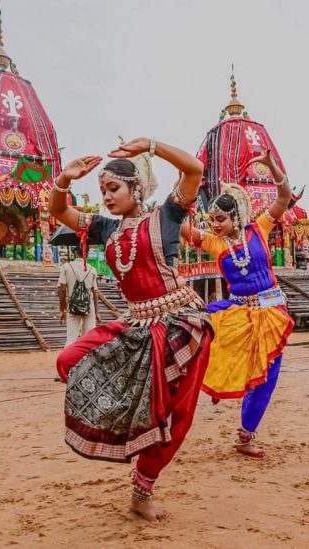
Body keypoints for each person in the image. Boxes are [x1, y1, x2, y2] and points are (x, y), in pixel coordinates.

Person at [50, 137, 213, 522]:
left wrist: (152, 145)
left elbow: (194, 171)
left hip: (181, 324)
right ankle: (125, 427)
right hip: (136, 322)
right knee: (69, 358)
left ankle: (143, 489)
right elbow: (60, 212)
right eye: (102, 190)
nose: (106, 196)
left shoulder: (167, 215)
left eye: (113, 188)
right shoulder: (106, 228)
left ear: (136, 188)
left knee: (175, 415)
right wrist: (64, 179)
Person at [182, 149, 295, 458]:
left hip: (272, 313)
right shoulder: (214, 242)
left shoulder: (259, 228)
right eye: (211, 220)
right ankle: (209, 384)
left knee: (267, 377)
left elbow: (284, 198)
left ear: (235, 217)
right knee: (195, 327)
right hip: (238, 312)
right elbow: (180, 226)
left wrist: (272, 165)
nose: (215, 225)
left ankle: (246, 436)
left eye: (220, 219)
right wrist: (179, 196)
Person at [57, 245, 101, 345]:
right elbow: (95, 292)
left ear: (75, 253)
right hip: (88, 307)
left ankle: (69, 359)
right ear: (87, 254)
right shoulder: (92, 269)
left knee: (71, 338)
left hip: (72, 306)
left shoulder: (66, 267)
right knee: (89, 338)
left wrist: (61, 310)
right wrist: (97, 312)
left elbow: (62, 290)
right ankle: (87, 359)